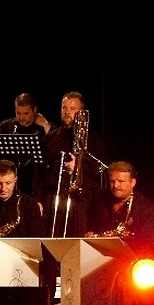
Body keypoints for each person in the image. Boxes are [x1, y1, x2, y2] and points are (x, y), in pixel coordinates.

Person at [39, 91, 108, 234]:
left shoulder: (93, 139)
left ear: (81, 112)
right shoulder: (51, 138)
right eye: (64, 108)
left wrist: (78, 166)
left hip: (81, 203)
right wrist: (39, 200)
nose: (67, 112)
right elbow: (39, 172)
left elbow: (101, 170)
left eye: (72, 109)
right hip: (54, 201)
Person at [84, 161, 154, 258]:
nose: (115, 186)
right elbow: (89, 228)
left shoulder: (145, 207)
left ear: (133, 182)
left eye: (121, 181)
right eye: (112, 181)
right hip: (101, 259)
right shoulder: (99, 201)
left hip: (133, 261)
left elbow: (151, 244)